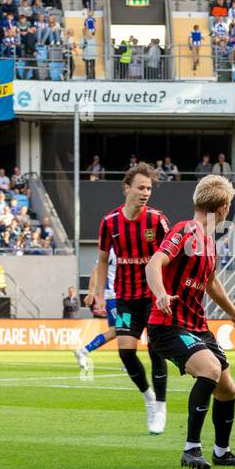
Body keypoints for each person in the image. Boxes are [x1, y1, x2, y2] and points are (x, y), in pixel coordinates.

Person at [146, 175, 235, 469]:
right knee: (210, 369)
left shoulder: (208, 243)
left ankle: (222, 452)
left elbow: (211, 283)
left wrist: (234, 314)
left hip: (197, 327)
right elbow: (154, 262)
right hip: (168, 325)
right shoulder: (184, 230)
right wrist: (160, 293)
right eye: (228, 205)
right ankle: (191, 449)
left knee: (227, 389)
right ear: (222, 208)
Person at [87, 164, 172, 434]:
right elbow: (102, 261)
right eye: (140, 187)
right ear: (127, 188)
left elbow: (171, 257)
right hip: (124, 298)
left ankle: (161, 407)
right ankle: (148, 397)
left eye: (149, 188)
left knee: (156, 351)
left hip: (153, 298)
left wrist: (166, 291)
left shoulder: (157, 220)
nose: (145, 193)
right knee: (125, 352)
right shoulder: (110, 222)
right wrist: (100, 295)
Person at [75, 251, 119, 371]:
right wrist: (91, 293)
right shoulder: (111, 250)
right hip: (114, 297)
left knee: (117, 331)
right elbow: (96, 271)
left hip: (126, 297)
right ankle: (128, 362)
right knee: (122, 330)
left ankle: (84, 350)